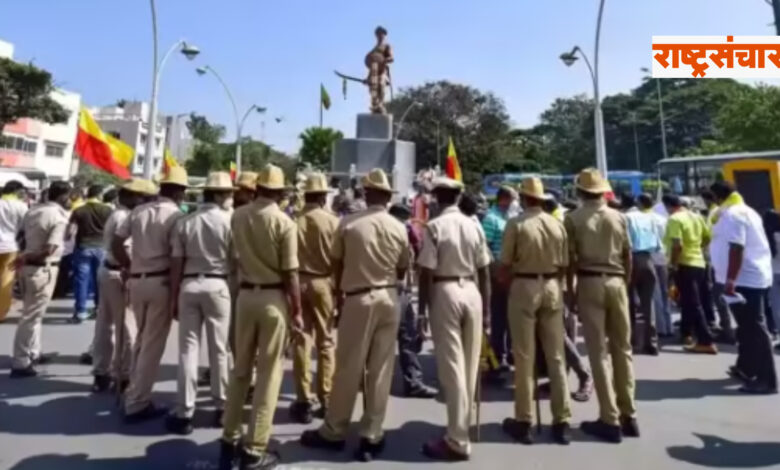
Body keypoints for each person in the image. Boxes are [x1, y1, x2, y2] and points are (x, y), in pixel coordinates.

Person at [301, 169, 410, 462]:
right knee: (381, 369)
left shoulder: (347, 225)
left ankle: (334, 430)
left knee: (349, 367)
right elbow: (403, 267)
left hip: (358, 298)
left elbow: (335, 264)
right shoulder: (398, 227)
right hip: (389, 296)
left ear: (365, 194)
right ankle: (371, 435)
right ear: (387, 197)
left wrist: (339, 293)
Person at [220, 164, 303, 470]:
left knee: (241, 368)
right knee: (268, 375)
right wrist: (297, 311)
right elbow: (291, 273)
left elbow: (233, 257)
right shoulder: (284, 222)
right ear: (280, 193)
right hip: (273, 298)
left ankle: (229, 438)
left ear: (256, 189)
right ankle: (255, 448)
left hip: (245, 296)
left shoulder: (238, 216)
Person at [414, 177, 490, 461]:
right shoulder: (474, 224)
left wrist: (421, 310)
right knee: (469, 365)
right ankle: (461, 429)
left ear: (436, 198)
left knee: (452, 367)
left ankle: (457, 439)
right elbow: (484, 270)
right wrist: (487, 310)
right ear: (458, 197)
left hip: (445, 291)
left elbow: (426, 272)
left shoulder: (435, 226)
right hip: (472, 291)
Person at [565, 168, 637, 444]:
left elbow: (571, 260)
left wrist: (571, 293)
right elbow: (627, 255)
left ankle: (609, 418)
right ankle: (629, 412)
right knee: (624, 349)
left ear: (580, 192)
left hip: (589, 281)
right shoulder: (619, 217)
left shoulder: (573, 219)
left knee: (598, 353)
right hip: (617, 281)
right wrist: (624, 286)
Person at [113, 167, 188, 423]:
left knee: (142, 340)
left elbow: (116, 242)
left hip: (137, 279)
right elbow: (177, 256)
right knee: (152, 344)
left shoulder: (138, 212)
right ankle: (137, 402)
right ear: (179, 192)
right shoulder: (176, 217)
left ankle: (133, 390)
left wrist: (127, 264)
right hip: (161, 281)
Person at [501, 177, 571, 445]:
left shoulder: (516, 224)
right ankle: (562, 421)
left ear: (524, 198)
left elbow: (505, 263)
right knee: (556, 356)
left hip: (525, 285)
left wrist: (507, 283)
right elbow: (565, 263)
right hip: (552, 285)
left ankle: (524, 420)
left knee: (524, 355)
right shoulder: (557, 224)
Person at [166, 172, 235, 435]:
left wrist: (174, 296)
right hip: (219, 285)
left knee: (188, 349)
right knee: (219, 349)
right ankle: (222, 407)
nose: (230, 197)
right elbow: (235, 259)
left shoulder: (185, 222)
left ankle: (184, 411)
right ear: (218, 195)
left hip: (189, 284)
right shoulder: (229, 221)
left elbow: (176, 262)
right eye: (228, 193)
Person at [709, 182, 777, 394]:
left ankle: (767, 380)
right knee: (746, 327)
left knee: (754, 327)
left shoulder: (733, 215)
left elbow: (736, 248)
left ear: (717, 197)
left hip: (744, 280)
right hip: (746, 278)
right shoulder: (743, 211)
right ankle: (746, 367)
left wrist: (730, 281)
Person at [90, 179, 155, 393]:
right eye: (141, 197)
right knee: (126, 327)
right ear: (130, 197)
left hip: (108, 270)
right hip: (119, 272)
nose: (143, 201)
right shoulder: (125, 217)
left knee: (105, 323)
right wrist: (130, 268)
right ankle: (123, 374)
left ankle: (101, 372)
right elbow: (123, 249)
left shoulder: (117, 214)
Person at [289, 172, 340, 424]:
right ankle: (326, 396)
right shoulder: (332, 222)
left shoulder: (293, 221)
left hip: (298, 282)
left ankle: (303, 399)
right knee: (326, 341)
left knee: (302, 340)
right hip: (323, 282)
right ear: (322, 197)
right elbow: (339, 260)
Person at [9, 181, 71, 378]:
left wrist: (24, 256)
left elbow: (20, 238)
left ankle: (33, 352)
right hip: (42, 269)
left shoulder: (34, 211)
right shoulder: (59, 216)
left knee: (34, 315)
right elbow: (50, 248)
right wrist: (28, 256)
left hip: (28, 269)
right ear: (63, 196)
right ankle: (20, 361)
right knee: (30, 317)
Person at [542, 193, 593, 402]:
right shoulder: (563, 217)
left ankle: (583, 374)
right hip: (563, 281)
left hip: (560, 282)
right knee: (559, 333)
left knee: (559, 332)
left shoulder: (558, 222)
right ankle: (559, 378)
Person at [388, 202, 438, 399]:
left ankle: (365, 381)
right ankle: (413, 381)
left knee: (376, 340)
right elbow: (415, 253)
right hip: (398, 290)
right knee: (407, 338)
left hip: (376, 291)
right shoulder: (403, 230)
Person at [663, 194, 717, 354]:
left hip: (684, 263)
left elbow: (676, 245)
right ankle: (686, 333)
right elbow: (707, 238)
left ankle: (706, 340)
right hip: (699, 262)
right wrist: (697, 249)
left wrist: (673, 264)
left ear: (668, 206)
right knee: (688, 300)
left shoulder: (674, 219)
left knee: (693, 302)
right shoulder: (697, 216)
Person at [481, 186, 515, 378]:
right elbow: (485, 246)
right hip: (497, 275)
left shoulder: (509, 217)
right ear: (503, 199)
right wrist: (496, 272)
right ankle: (498, 356)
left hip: (511, 275)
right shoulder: (491, 218)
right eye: (511, 199)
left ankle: (511, 353)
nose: (513, 203)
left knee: (512, 317)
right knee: (498, 317)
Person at [622, 194, 661, 355]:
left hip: (631, 259)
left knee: (628, 301)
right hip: (648, 258)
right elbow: (657, 245)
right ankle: (652, 342)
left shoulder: (625, 218)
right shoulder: (649, 218)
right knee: (648, 302)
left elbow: (624, 243)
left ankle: (630, 339)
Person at [68, 184, 112, 323]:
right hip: (102, 248)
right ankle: (99, 308)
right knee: (100, 280)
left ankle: (80, 311)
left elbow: (70, 232)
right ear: (99, 195)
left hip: (83, 247)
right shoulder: (108, 210)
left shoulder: (79, 210)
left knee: (81, 280)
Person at [638, 194, 673, 338]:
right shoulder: (662, 219)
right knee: (665, 295)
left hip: (651, 259)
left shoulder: (642, 220)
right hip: (664, 259)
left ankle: (660, 328)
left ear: (640, 203)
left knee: (655, 295)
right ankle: (668, 326)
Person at [0, 180, 29, 323]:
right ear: (17, 191)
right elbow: (25, 227)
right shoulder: (21, 206)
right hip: (10, 246)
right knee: (6, 280)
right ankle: (1, 313)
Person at [365, 26, 393, 114]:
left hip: (382, 71)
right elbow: (372, 64)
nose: (380, 35)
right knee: (373, 89)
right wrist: (367, 78)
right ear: (376, 35)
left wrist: (385, 60)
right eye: (378, 34)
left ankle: (380, 104)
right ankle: (375, 106)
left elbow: (391, 58)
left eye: (382, 34)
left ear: (384, 35)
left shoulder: (387, 46)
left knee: (381, 86)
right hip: (373, 71)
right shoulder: (373, 50)